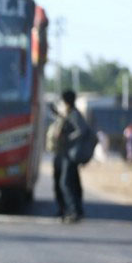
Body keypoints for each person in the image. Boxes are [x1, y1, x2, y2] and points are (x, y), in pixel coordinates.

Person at [52, 90, 90, 223]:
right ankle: (72, 210)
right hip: (65, 153)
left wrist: (68, 138)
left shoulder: (74, 114)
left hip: (70, 154)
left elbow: (82, 130)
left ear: (66, 101)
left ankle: (73, 211)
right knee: (71, 182)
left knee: (65, 183)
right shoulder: (68, 114)